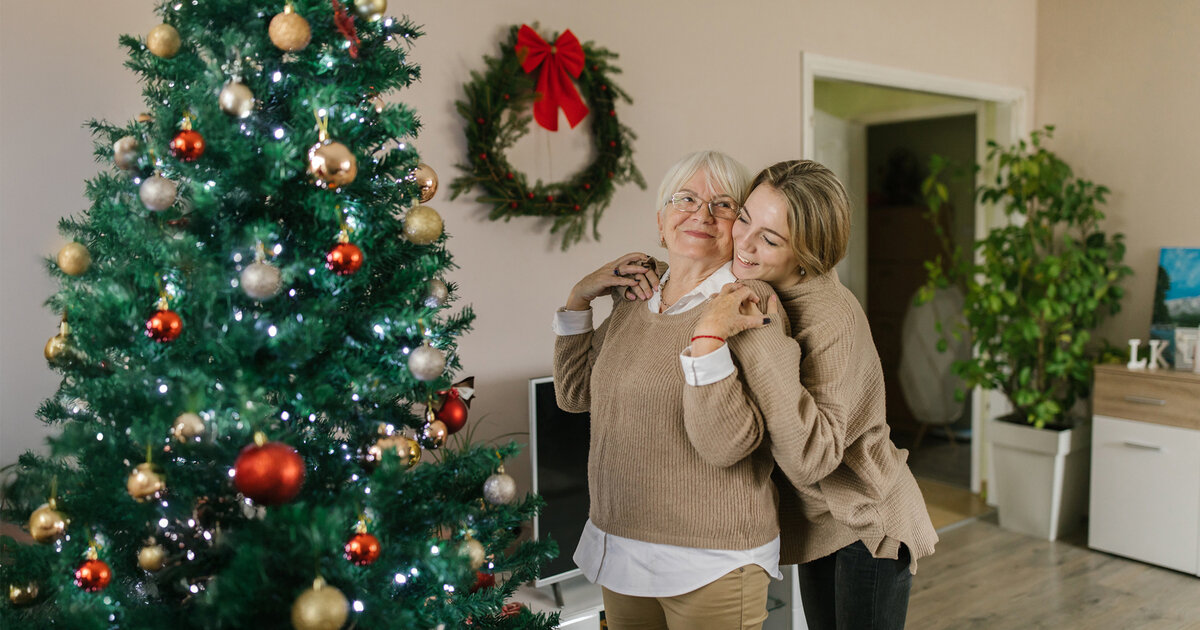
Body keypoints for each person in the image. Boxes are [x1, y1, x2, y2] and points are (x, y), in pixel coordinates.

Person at [682, 160, 938, 630]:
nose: (745, 242)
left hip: (865, 517)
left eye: (771, 239)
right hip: (817, 518)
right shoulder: (758, 284)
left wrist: (761, 336)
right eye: (744, 219)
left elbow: (810, 459)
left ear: (808, 254)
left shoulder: (831, 317)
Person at [552, 150, 789, 630]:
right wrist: (579, 300)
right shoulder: (637, 296)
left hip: (712, 561)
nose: (701, 214)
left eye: (723, 205)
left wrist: (707, 341)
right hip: (621, 547)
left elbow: (729, 445)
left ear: (739, 229)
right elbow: (575, 395)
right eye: (685, 199)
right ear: (661, 222)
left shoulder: (747, 302)